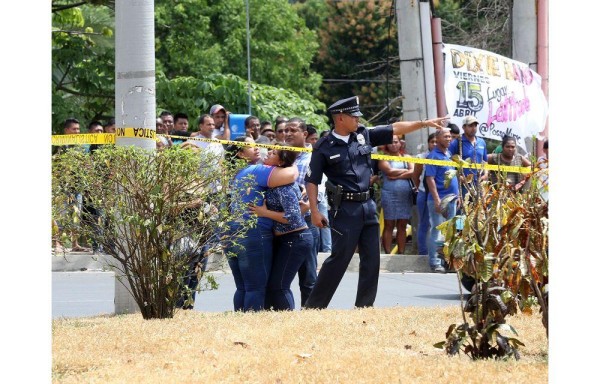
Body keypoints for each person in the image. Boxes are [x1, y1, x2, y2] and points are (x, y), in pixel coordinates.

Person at [303, 96, 447, 309]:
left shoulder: (363, 135)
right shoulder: (324, 146)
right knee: (339, 258)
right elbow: (312, 180)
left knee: (372, 259)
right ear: (340, 118)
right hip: (344, 209)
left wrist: (423, 123)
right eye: (354, 116)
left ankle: (365, 305)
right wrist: (315, 211)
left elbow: (395, 128)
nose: (358, 120)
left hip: (368, 205)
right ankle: (314, 306)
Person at [224, 136, 299, 312]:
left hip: (232, 232)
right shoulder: (255, 170)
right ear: (240, 155)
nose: (258, 148)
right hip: (253, 233)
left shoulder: (235, 174)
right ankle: (251, 325)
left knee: (243, 287)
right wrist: (292, 161)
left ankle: (240, 322)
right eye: (251, 147)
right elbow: (291, 174)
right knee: (255, 287)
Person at [249, 148, 312, 310]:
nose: (268, 154)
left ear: (281, 162)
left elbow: (291, 217)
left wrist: (264, 213)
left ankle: (288, 322)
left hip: (295, 239)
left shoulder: (283, 187)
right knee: (272, 285)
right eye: (269, 151)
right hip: (283, 239)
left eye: (273, 153)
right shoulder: (276, 182)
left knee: (280, 286)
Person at [283, 117, 321, 307]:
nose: (287, 134)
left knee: (308, 276)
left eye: (293, 130)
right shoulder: (282, 156)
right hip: (281, 222)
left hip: (305, 222)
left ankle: (310, 313)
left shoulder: (314, 157)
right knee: (281, 277)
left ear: (305, 134)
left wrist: (305, 206)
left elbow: (318, 190)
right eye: (285, 130)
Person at [425, 128, 459, 273]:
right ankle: (435, 262)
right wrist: (437, 200)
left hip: (452, 200)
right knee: (437, 230)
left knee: (452, 232)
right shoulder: (433, 156)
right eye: (445, 136)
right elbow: (430, 179)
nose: (448, 139)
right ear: (437, 138)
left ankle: (448, 262)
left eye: (450, 136)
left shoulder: (449, 154)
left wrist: (459, 197)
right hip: (440, 200)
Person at [378, 135, 414, 254]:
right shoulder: (383, 158)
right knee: (389, 223)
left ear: (400, 143)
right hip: (389, 193)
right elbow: (388, 171)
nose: (393, 144)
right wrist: (405, 171)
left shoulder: (406, 157)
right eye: (391, 142)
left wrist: (398, 175)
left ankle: (401, 253)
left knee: (402, 224)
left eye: (396, 142)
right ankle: (387, 252)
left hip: (405, 194)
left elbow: (413, 172)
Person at [449, 115, 488, 200]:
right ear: (463, 127)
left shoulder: (482, 142)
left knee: (481, 209)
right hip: (463, 185)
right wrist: (459, 177)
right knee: (465, 210)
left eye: (475, 125)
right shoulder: (457, 142)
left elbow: (485, 161)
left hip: (479, 183)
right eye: (470, 126)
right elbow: (449, 163)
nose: (473, 128)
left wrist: (486, 174)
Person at [411, 133, 436, 255]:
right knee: (424, 223)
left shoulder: (447, 156)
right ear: (428, 143)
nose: (435, 144)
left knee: (437, 225)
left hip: (440, 195)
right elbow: (415, 175)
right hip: (424, 194)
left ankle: (437, 253)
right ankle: (422, 252)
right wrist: (420, 188)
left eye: (437, 141)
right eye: (432, 142)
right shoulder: (421, 157)